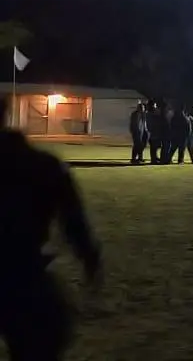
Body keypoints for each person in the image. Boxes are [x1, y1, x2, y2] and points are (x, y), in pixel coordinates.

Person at [0, 100, 103, 361]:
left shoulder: (41, 166)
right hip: (24, 277)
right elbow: (74, 222)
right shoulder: (42, 165)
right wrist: (89, 258)